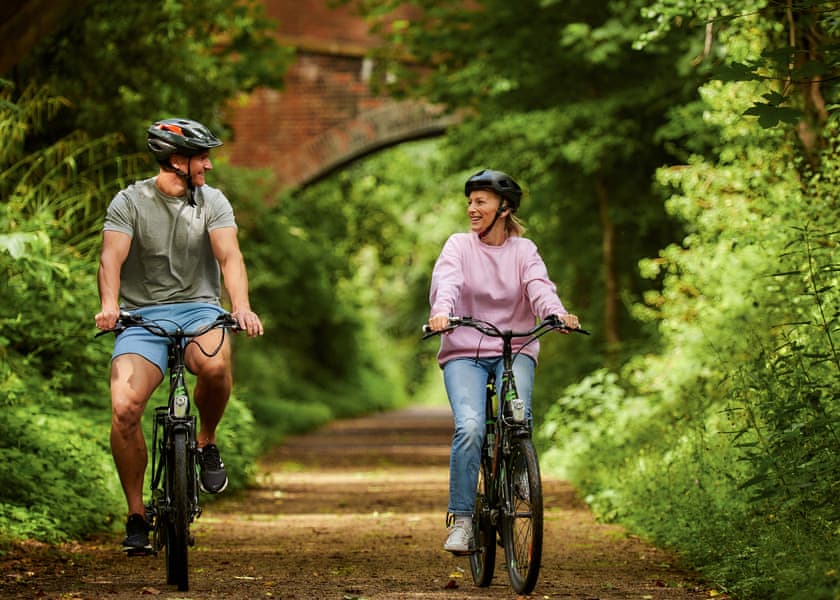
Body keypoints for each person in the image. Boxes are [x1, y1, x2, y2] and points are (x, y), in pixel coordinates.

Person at [94, 118, 264, 554]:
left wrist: (240, 306)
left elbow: (230, 258)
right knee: (125, 407)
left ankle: (206, 439)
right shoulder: (129, 201)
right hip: (142, 316)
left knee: (216, 364)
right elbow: (111, 259)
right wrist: (110, 304)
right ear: (176, 160)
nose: (208, 164)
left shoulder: (213, 202)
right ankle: (136, 515)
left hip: (200, 308)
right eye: (201, 157)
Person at [427, 168, 580, 554]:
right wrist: (441, 312)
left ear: (504, 208)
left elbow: (538, 286)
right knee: (471, 426)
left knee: (518, 417)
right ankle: (462, 519)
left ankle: (516, 474)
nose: (472, 209)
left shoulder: (523, 251)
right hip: (465, 351)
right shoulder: (458, 246)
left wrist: (556, 313)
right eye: (470, 202)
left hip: (516, 347)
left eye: (480, 202)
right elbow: (448, 282)